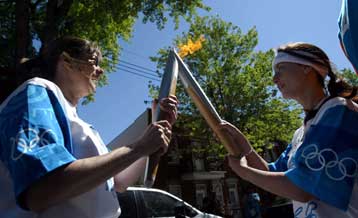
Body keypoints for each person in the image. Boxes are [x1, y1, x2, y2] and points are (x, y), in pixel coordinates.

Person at [0, 36, 179, 218]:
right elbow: (40, 190)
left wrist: (151, 139)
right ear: (66, 61)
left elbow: (119, 182)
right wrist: (138, 147)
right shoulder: (37, 90)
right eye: (94, 62)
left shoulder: (83, 125)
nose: (100, 71)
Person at [219, 42, 358, 218]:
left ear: (307, 67)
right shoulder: (300, 133)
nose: (274, 79)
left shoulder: (339, 110)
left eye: (280, 68)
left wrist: (245, 172)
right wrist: (245, 147)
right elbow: (274, 173)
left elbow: (302, 188)